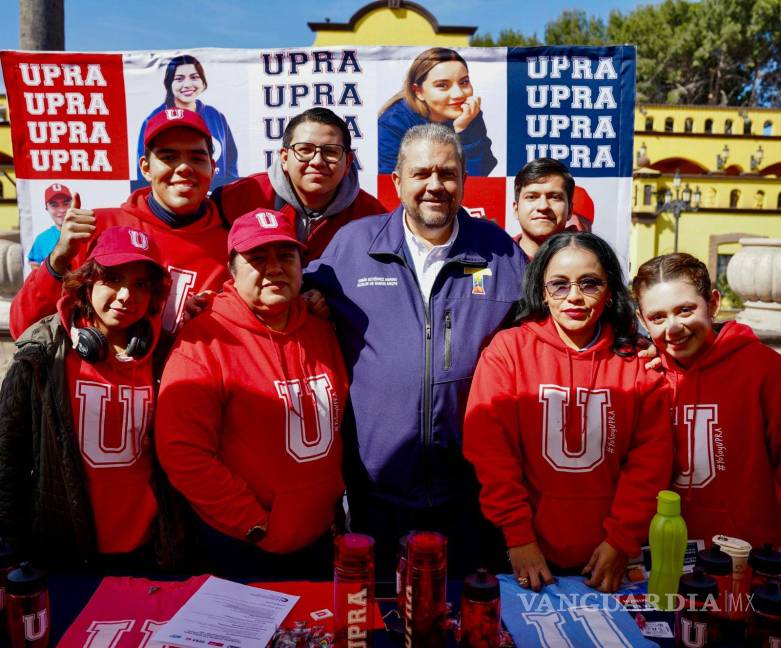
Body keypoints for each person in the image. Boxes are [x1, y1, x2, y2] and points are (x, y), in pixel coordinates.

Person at [306, 124, 526, 576]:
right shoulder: (353, 246)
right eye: (421, 173)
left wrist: (629, 344)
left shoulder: (500, 252)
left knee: (462, 607)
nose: (435, 186)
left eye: (447, 173)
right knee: (383, 609)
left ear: (464, 179)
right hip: (376, 490)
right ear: (397, 181)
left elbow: (552, 322)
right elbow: (283, 294)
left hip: (471, 493)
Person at [463, 232, 673, 593]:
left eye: (589, 283)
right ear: (542, 292)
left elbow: (650, 463)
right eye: (559, 285)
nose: (574, 296)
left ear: (610, 291)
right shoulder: (508, 351)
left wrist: (620, 539)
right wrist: (518, 536)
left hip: (608, 557)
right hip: (523, 551)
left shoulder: (638, 361)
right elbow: (491, 454)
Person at [155, 208, 348, 578]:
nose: (274, 268)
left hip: (319, 539)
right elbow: (182, 451)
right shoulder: (205, 338)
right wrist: (253, 523)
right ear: (232, 269)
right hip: (241, 545)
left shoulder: (321, 328)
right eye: (257, 258)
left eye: (286, 256)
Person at [0, 226, 176, 570]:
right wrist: (8, 543)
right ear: (88, 281)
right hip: (64, 549)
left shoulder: (167, 353)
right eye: (113, 279)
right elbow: (8, 454)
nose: (126, 295)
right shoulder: (42, 349)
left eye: (141, 284)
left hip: (148, 548)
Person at [10, 109, 231, 340]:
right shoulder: (96, 228)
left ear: (212, 167)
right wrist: (58, 259)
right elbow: (24, 330)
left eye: (197, 158)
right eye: (168, 157)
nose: (184, 167)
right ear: (145, 168)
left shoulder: (233, 247)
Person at [633, 252, 781, 549]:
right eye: (658, 317)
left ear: (713, 303)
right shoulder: (644, 372)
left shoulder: (764, 369)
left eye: (686, 310)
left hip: (747, 555)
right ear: (642, 321)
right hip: (662, 553)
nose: (673, 327)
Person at [212, 108, 385, 260]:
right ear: (284, 158)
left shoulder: (373, 217)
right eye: (305, 150)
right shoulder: (237, 198)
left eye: (331, 152)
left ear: (347, 162)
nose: (317, 161)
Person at [378, 47, 497, 177]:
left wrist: (463, 131)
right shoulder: (393, 123)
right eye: (442, 85)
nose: (458, 94)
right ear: (418, 91)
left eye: (464, 82)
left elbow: (479, 177)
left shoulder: (468, 114)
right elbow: (390, 182)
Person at [136, 54, 238, 181]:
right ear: (169, 83)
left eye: (194, 77)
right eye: (179, 79)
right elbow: (143, 176)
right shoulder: (152, 120)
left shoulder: (216, 116)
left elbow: (231, 164)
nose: (187, 84)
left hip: (214, 193)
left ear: (203, 81)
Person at [511, 158, 573, 261]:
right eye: (531, 197)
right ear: (516, 209)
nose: (543, 206)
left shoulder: (590, 260)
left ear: (570, 210)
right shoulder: (494, 257)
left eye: (555, 197)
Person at [28, 183, 73, 269]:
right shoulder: (42, 239)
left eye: (66, 203)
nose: (62, 210)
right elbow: (35, 265)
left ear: (72, 205)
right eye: (54, 205)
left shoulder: (87, 233)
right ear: (47, 208)